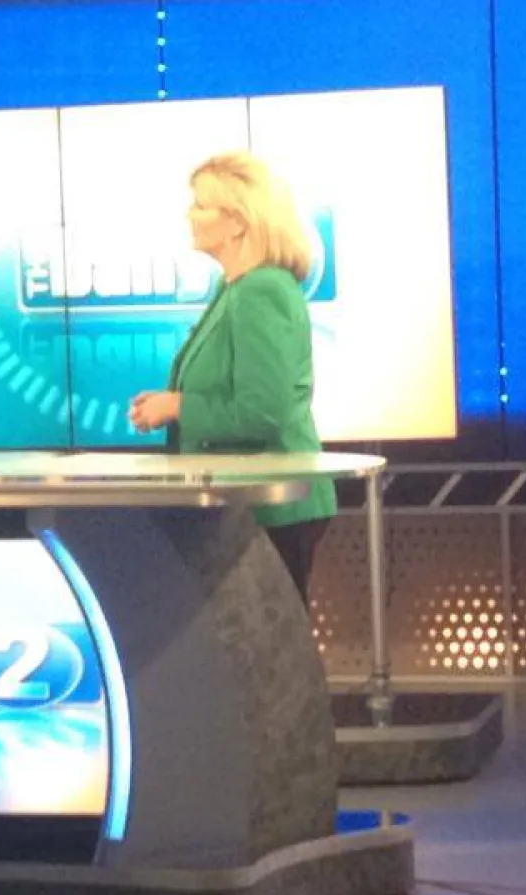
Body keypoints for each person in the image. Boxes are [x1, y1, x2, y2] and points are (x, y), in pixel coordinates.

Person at [129, 150, 337, 603]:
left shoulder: (262, 291)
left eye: (201, 205)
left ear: (238, 222)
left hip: (275, 510)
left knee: (273, 662)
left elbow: (263, 412)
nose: (190, 214)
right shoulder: (236, 288)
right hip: (252, 509)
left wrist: (178, 406)